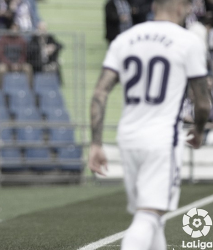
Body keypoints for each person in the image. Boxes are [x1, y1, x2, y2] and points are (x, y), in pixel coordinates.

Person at [88, 0, 211, 249]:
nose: (188, 11)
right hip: (162, 139)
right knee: (149, 216)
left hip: (128, 137)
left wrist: (96, 143)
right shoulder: (188, 41)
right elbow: (202, 102)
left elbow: (100, 92)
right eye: (186, 6)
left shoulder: (124, 39)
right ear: (179, 7)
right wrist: (198, 131)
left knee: (154, 217)